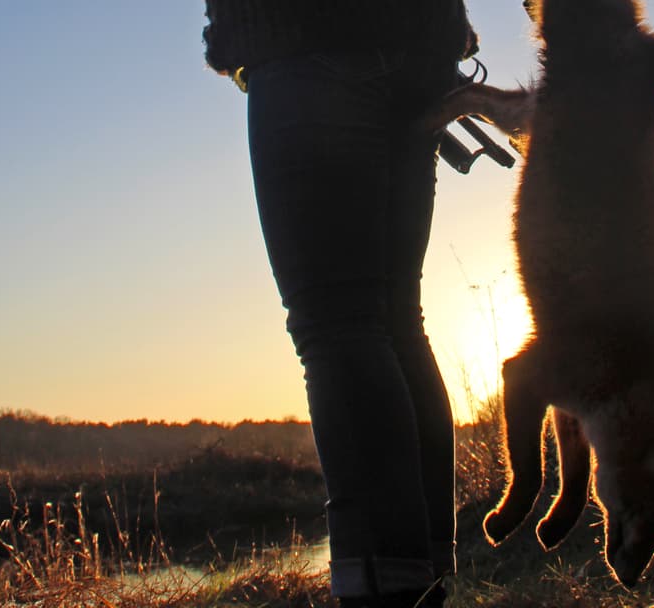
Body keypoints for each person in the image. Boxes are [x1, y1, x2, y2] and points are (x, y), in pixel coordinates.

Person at [203, 2, 476, 606]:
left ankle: (383, 584)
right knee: (396, 321)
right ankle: (420, 573)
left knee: (339, 326)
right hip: (420, 50)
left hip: (307, 40)